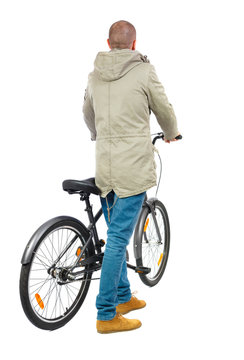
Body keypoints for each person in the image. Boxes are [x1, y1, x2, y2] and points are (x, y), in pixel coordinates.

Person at [83, 20, 181, 334]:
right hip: (132, 167)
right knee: (116, 241)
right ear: (134, 44)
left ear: (108, 43)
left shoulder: (95, 75)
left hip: (106, 168)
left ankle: (123, 296)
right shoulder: (143, 71)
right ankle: (107, 314)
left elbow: (87, 112)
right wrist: (172, 133)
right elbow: (163, 108)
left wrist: (98, 134)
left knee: (114, 233)